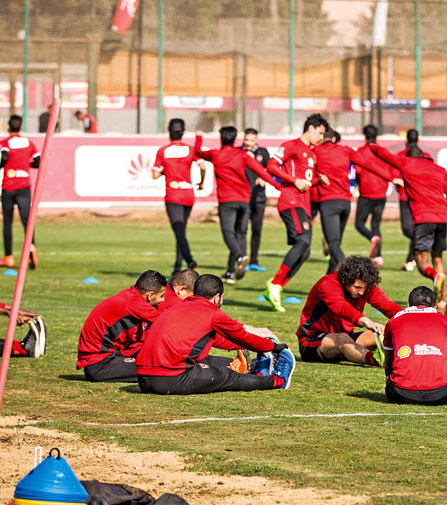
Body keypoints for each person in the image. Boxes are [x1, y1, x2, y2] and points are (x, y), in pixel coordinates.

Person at [137, 274, 295, 394]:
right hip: (167, 377)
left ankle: (258, 368)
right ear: (218, 296)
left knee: (207, 362)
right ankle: (277, 380)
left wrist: (262, 347)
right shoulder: (212, 312)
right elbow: (242, 336)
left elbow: (215, 340)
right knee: (228, 376)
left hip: (142, 377)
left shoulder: (180, 306)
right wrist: (273, 347)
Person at [369, 143, 447, 308]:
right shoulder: (441, 171)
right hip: (441, 220)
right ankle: (440, 299)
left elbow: (384, 154)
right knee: (438, 257)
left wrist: (371, 144)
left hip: (424, 219)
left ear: (409, 157)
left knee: (421, 260)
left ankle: (434, 276)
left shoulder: (407, 164)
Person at [263, 113, 330, 310]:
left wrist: (319, 180)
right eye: (320, 133)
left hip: (303, 204)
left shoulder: (312, 153)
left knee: (306, 250)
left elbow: (306, 182)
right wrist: (294, 181)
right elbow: (271, 165)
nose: (320, 137)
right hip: (290, 201)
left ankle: (276, 288)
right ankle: (274, 284)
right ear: (310, 128)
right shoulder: (291, 145)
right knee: (303, 241)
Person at [194, 126, 276, 284]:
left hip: (228, 200)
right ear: (236, 138)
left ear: (221, 138)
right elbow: (261, 171)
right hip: (245, 200)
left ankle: (240, 257)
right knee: (240, 234)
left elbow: (198, 152)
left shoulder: (216, 154)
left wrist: (199, 137)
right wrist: (280, 186)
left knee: (228, 234)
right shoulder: (242, 154)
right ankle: (231, 271)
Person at [314, 127, 399, 274]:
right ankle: (327, 284)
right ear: (334, 138)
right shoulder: (345, 150)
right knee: (338, 243)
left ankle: (349, 271)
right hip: (345, 202)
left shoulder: (315, 151)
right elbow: (370, 165)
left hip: (329, 202)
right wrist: (390, 177)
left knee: (334, 244)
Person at [296, 256, 402, 366]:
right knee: (342, 339)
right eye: (357, 287)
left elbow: (386, 305)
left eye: (364, 288)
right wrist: (366, 321)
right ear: (345, 280)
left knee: (385, 333)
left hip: (347, 339)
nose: (361, 292)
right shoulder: (327, 284)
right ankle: (382, 361)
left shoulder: (365, 286)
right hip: (311, 342)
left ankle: (408, 357)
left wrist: (412, 316)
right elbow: (341, 307)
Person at [76, 270, 167, 382]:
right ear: (150, 295)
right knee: (161, 368)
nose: (163, 300)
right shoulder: (134, 303)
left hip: (111, 355)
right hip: (99, 364)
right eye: (161, 296)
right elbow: (166, 323)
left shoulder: (131, 296)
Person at [381, 286, 447, 406]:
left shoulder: (394, 320)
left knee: (391, 379)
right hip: (443, 393)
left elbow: (388, 361)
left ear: (408, 305)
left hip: (402, 393)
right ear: (435, 307)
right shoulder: (445, 320)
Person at [152, 118, 206, 276]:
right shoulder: (190, 149)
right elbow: (203, 166)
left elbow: (155, 174)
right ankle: (177, 265)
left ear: (169, 132)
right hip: (189, 194)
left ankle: (189, 260)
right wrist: (201, 182)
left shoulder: (163, 151)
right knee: (181, 229)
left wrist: (165, 172)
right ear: (183, 132)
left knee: (179, 230)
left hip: (173, 194)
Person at [0, 115, 41, 269]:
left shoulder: (5, 143)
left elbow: (3, 157)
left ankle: (8, 257)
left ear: (8, 127)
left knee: (8, 223)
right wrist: (25, 164)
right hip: (24, 187)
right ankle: (31, 249)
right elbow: (38, 161)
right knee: (27, 222)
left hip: (8, 187)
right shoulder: (28, 143)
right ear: (21, 127)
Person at [354, 124, 397, 266]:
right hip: (381, 194)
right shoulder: (383, 152)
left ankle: (372, 238)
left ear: (365, 136)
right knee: (376, 225)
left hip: (366, 194)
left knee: (359, 224)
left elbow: (358, 171)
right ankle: (378, 257)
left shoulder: (361, 152)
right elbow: (391, 171)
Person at [240, 128, 279, 272]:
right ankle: (242, 260)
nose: (249, 143)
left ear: (256, 140)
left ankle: (254, 261)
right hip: (242, 197)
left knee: (257, 230)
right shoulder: (239, 152)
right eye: (246, 139)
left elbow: (271, 169)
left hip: (259, 198)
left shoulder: (263, 152)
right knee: (242, 230)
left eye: (251, 140)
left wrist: (264, 177)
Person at [396, 129, 430, 271]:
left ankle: (410, 261)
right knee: (414, 230)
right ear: (418, 140)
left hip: (407, 197)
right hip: (420, 198)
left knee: (408, 229)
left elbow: (395, 176)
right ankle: (412, 258)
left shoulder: (400, 156)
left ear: (406, 140)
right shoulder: (426, 156)